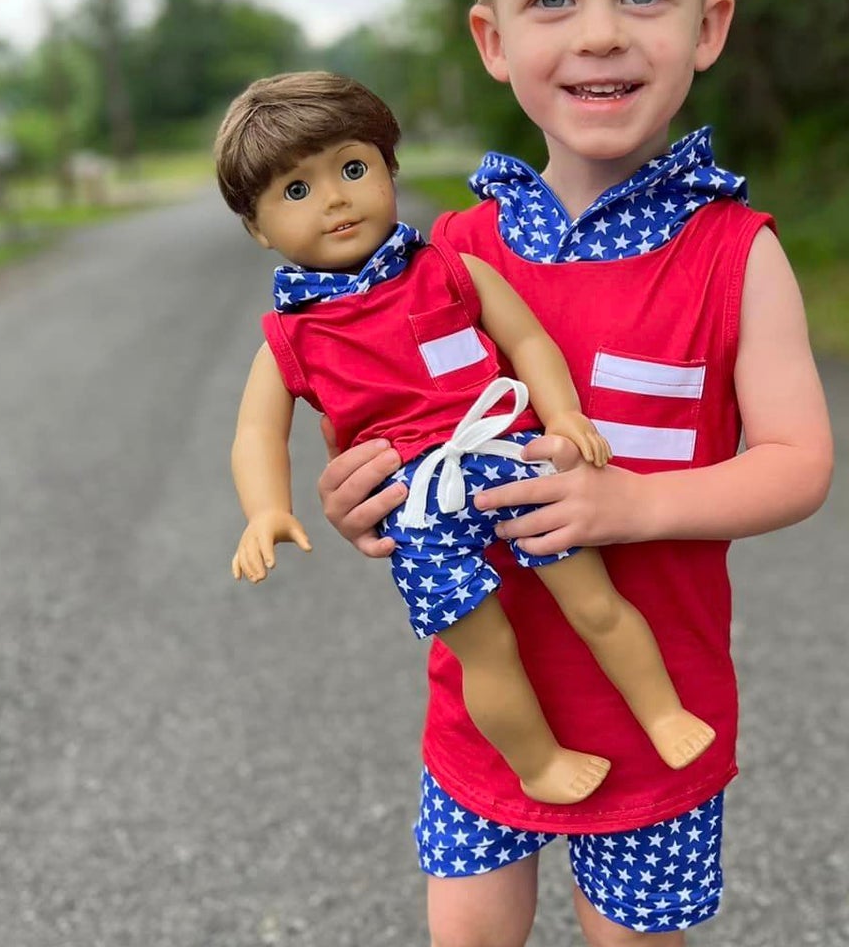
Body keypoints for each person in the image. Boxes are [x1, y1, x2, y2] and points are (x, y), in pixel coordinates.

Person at [318, 0, 833, 947]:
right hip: (487, 697)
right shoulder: (445, 250)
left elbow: (797, 462)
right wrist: (365, 498)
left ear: (707, 25)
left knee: (629, 928)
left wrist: (629, 505)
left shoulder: (738, 254)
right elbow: (385, 427)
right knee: (471, 922)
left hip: (654, 689)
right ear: (491, 35)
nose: (598, 37)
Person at [216, 71, 716, 807]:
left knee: (594, 601)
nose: (334, 198)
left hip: (503, 455)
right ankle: (537, 761)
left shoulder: (447, 268)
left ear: (389, 170)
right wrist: (265, 508)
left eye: (353, 169)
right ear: (258, 228)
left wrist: (562, 414)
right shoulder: (291, 337)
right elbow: (256, 430)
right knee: (487, 649)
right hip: (415, 508)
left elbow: (528, 340)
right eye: (296, 190)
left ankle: (662, 710)